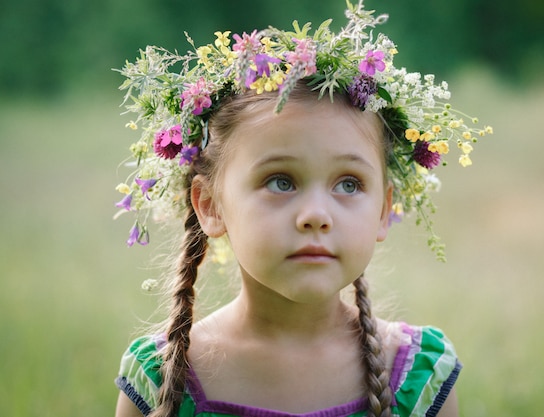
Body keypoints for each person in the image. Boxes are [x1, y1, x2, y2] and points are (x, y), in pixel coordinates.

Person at [112, 2, 492, 416]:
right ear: (210, 205)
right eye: (281, 181)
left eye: (349, 184)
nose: (316, 214)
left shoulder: (420, 377)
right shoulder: (160, 377)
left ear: (385, 209)